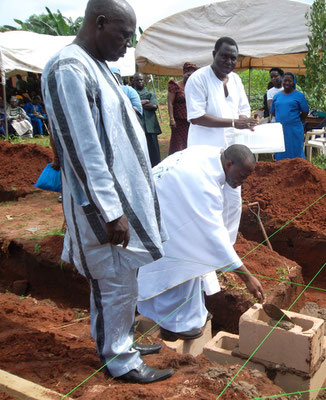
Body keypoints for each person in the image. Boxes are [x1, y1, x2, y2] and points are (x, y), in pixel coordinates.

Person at [41, 0, 173, 384]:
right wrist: (109, 210)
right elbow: (82, 148)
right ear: (99, 23)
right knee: (111, 279)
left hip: (118, 201)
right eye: (124, 35)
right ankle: (120, 359)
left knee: (123, 276)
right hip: (101, 206)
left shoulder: (96, 66)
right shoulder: (69, 68)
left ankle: (122, 340)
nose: (128, 46)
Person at [137, 144, 264, 340]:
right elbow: (214, 236)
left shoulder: (214, 155)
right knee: (181, 260)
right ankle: (174, 323)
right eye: (242, 176)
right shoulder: (204, 185)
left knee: (192, 253)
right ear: (229, 164)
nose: (242, 182)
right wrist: (247, 278)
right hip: (159, 206)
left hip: (165, 199)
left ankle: (189, 315)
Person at [185, 36, 257, 246]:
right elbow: (196, 116)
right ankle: (204, 247)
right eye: (224, 56)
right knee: (207, 202)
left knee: (233, 202)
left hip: (232, 155)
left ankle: (226, 249)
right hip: (205, 154)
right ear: (214, 54)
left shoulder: (236, 80)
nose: (229, 61)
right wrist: (234, 122)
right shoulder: (198, 79)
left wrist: (247, 121)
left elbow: (242, 110)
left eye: (233, 58)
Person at [270, 72, 309, 160]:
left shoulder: (299, 96)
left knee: (295, 152)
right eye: (285, 80)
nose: (287, 83)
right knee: (281, 151)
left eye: (289, 81)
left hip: (294, 129)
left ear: (294, 82)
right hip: (280, 130)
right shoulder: (277, 96)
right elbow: (273, 112)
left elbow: (305, 111)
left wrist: (297, 120)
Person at [167, 62, 198, 154]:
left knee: (190, 143)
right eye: (188, 74)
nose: (189, 76)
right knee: (178, 144)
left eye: (192, 75)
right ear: (184, 74)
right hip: (179, 122)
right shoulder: (175, 86)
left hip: (192, 121)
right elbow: (170, 103)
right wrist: (171, 119)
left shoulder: (195, 86)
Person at [132, 72, 162, 166]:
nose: (139, 82)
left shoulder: (150, 93)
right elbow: (127, 105)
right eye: (137, 80)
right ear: (134, 81)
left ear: (144, 80)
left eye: (141, 80)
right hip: (137, 125)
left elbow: (154, 106)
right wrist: (144, 102)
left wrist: (137, 104)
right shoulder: (131, 93)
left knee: (154, 152)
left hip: (150, 126)